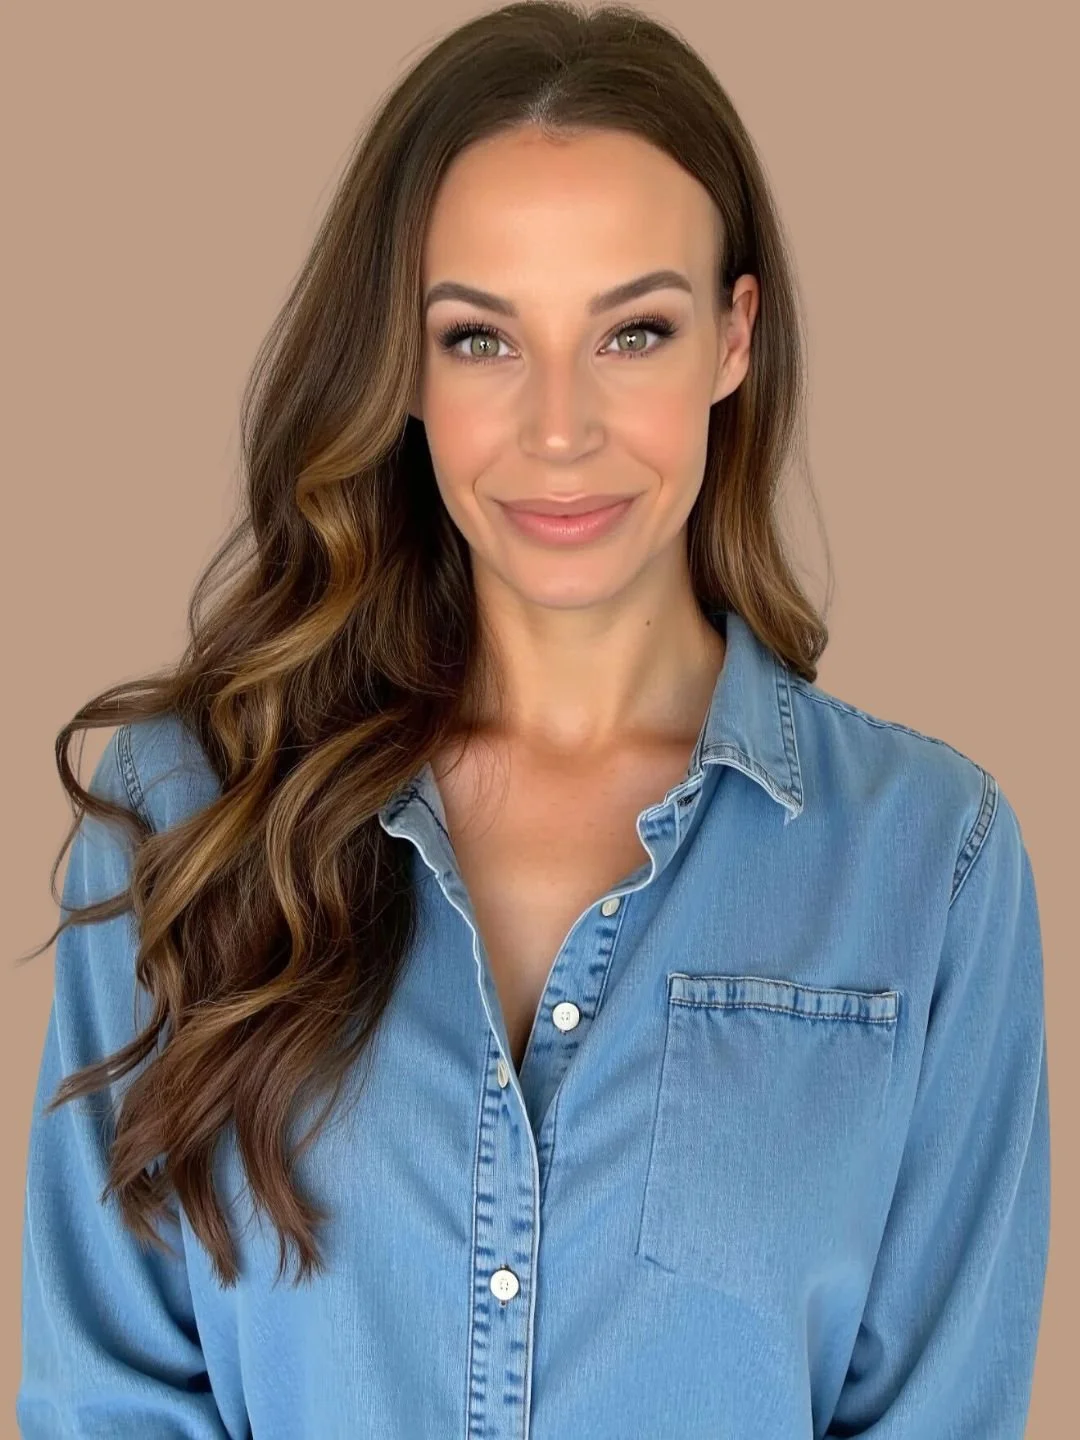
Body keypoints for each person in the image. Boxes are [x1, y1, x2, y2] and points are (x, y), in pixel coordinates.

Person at [16, 3, 1049, 1436]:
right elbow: (109, 1400)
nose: (560, 427)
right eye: (481, 338)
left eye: (633, 330)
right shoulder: (192, 813)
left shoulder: (932, 861)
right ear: (403, 366)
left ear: (734, 339)